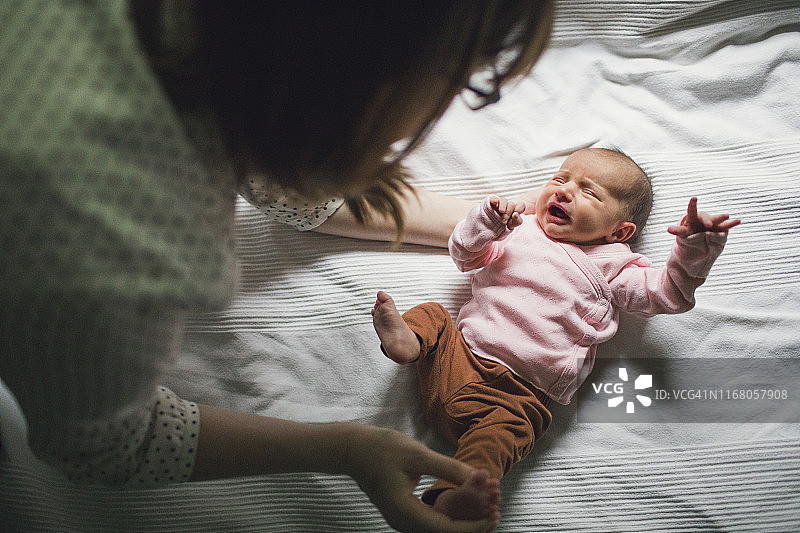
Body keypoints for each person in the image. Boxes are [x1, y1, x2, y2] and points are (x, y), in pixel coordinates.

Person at [0, 2, 555, 533]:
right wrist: (348, 450)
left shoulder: (221, 47)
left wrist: (514, 229)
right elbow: (106, 445)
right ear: (368, 72)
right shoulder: (112, 236)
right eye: (460, 84)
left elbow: (292, 189)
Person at [371, 147, 741, 522]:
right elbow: (464, 255)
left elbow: (667, 295)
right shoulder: (521, 229)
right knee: (433, 314)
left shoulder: (614, 265)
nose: (564, 191)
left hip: (517, 396)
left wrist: (692, 252)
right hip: (459, 356)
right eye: (561, 179)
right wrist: (484, 222)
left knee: (499, 441)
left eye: (589, 191)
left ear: (619, 232)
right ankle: (409, 342)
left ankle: (453, 494)